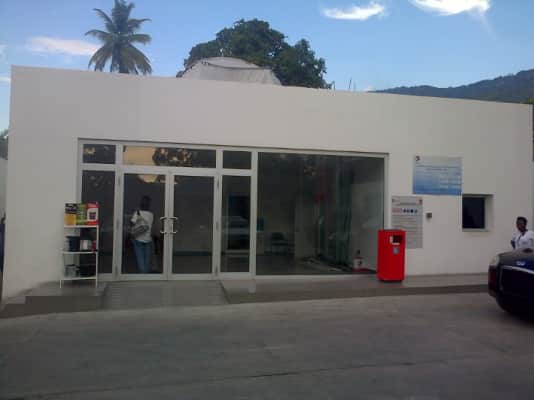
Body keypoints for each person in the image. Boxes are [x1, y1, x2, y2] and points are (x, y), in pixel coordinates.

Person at [131, 196, 154, 273]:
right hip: (148, 239)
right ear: (149, 205)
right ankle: (146, 274)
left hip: (138, 239)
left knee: (140, 259)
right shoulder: (151, 214)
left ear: (141, 204)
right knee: (147, 260)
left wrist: (136, 212)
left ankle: (142, 274)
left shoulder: (137, 213)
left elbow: (132, 223)